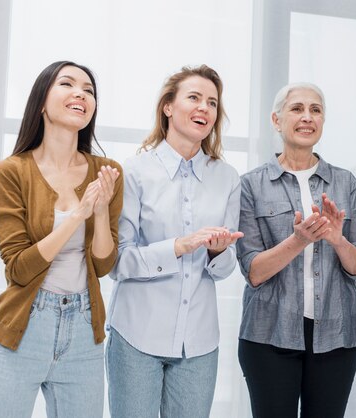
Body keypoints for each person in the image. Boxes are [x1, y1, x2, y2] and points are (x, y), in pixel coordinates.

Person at [0, 61, 123, 418]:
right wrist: (78, 214)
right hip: (24, 328)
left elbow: (104, 265)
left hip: (84, 332)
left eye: (88, 90)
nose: (81, 94)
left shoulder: (108, 171)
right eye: (68, 84)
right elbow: (18, 269)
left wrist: (101, 211)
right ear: (42, 101)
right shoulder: (11, 172)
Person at [107, 64, 243, 418]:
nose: (204, 108)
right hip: (136, 335)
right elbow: (117, 263)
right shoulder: (134, 172)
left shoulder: (228, 178)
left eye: (212, 103)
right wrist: (177, 247)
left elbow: (225, 268)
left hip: (198, 342)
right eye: (194, 97)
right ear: (168, 106)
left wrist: (217, 251)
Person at [236, 82, 356, 418]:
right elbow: (253, 271)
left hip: (336, 335)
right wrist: (299, 240)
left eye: (316, 110)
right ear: (276, 120)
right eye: (297, 108)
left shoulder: (345, 182)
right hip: (268, 334)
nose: (307, 117)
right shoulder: (251, 184)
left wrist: (338, 240)